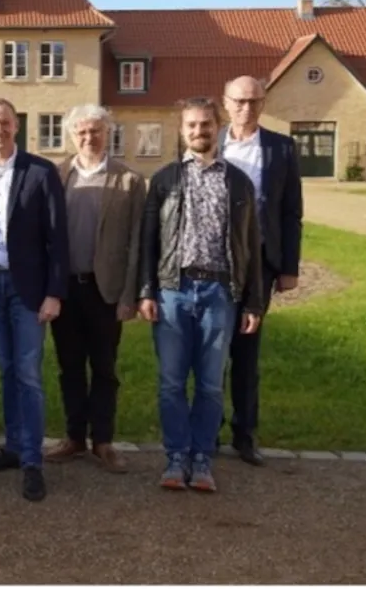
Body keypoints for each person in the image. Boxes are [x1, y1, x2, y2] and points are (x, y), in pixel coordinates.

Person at [138, 97, 264, 493]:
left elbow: (250, 245)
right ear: (182, 130)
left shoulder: (238, 182)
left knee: (210, 384)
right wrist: (146, 290)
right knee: (171, 382)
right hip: (173, 290)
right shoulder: (165, 179)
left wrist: (253, 300)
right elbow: (148, 241)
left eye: (205, 124)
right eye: (191, 125)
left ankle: (202, 458)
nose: (198, 131)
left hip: (220, 293)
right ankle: (176, 457)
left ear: (217, 126)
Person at [0, 98, 69, 503]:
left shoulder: (40, 171)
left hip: (29, 291)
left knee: (28, 374)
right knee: (6, 370)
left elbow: (58, 237)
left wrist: (54, 293)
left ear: (16, 125)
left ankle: (32, 461)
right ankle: (14, 446)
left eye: (4, 123)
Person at [48, 104, 145, 473]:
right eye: (82, 132)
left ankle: (103, 440)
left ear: (108, 133)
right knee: (69, 367)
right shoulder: (57, 175)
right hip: (66, 289)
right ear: (72, 136)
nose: (89, 137)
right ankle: (74, 437)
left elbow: (136, 242)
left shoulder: (129, 180)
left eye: (96, 131)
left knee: (104, 368)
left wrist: (129, 296)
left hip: (106, 290)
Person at [218, 76, 303, 466]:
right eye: (239, 101)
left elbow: (291, 211)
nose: (246, 108)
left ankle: (245, 434)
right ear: (226, 102)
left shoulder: (281, 148)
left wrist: (288, 268)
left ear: (263, 104)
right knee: (212, 351)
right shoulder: (211, 142)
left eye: (254, 101)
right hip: (213, 263)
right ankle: (208, 430)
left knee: (246, 351)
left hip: (259, 264)